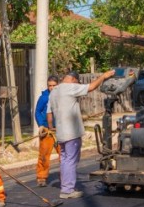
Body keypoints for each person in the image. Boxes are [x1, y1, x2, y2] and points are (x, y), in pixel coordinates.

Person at [47, 69, 116, 199]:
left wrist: (51, 126)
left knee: (65, 160)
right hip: (71, 132)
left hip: (61, 133)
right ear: (73, 79)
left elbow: (49, 112)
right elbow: (91, 87)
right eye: (77, 82)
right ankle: (68, 190)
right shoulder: (70, 87)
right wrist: (103, 76)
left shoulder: (54, 91)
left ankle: (65, 187)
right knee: (71, 161)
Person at [34, 75, 60, 187]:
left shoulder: (62, 96)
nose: (52, 88)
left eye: (54, 85)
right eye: (50, 86)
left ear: (58, 85)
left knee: (64, 155)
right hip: (46, 130)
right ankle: (41, 177)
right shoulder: (44, 98)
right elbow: (37, 111)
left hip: (59, 130)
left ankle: (65, 176)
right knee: (44, 155)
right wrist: (40, 125)